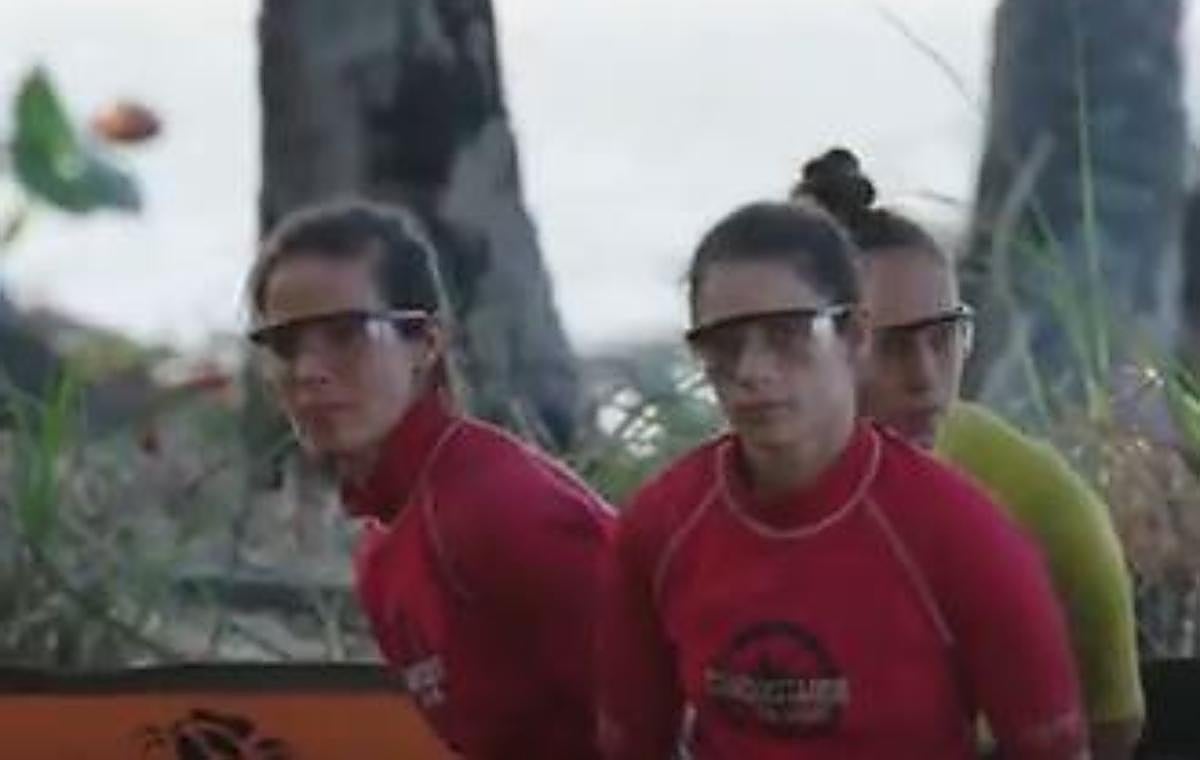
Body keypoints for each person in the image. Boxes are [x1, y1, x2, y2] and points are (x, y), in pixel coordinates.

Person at [597, 199, 1087, 759]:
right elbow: (629, 743)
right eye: (724, 346)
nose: (753, 371)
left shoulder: (961, 533)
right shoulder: (660, 528)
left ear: (855, 335)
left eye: (787, 335)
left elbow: (1055, 746)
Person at [797, 147, 1144, 760]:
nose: (927, 379)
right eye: (890, 346)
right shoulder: (733, 499)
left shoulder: (1047, 512)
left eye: (944, 337)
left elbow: (1110, 730)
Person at [245, 202, 612, 759]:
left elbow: (673, 720)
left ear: (425, 343)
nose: (308, 371)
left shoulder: (502, 508)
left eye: (345, 334)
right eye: (285, 344)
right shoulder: (384, 545)